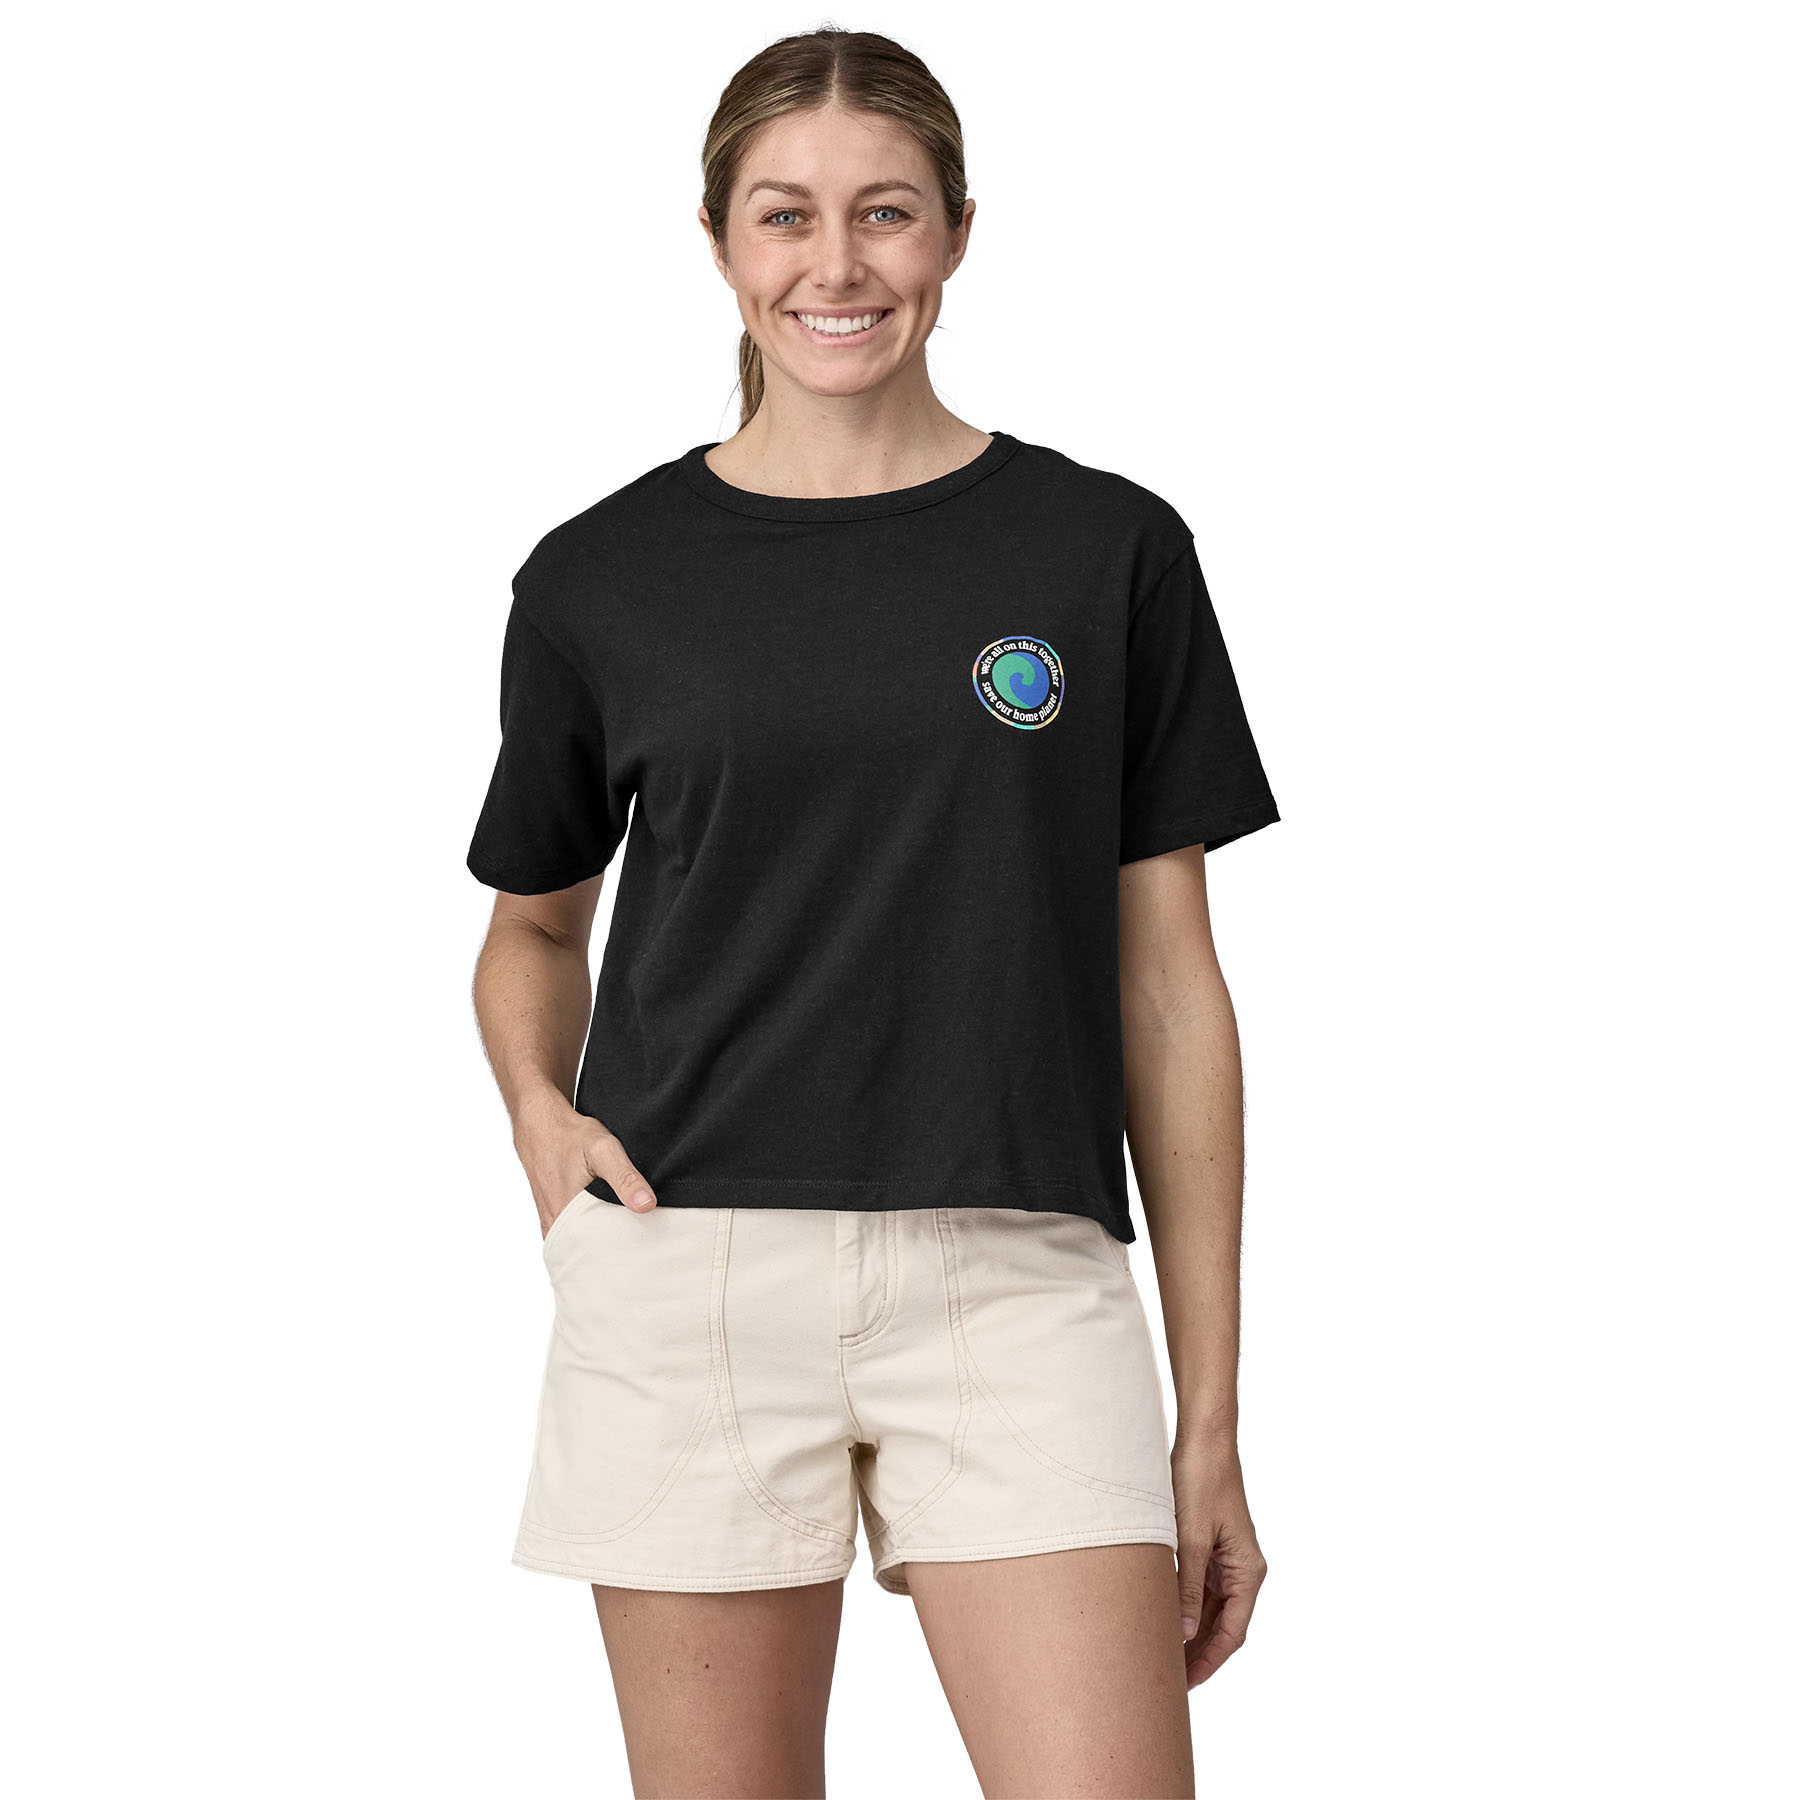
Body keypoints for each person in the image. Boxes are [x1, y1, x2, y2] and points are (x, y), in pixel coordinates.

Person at [466, 26, 1278, 1798]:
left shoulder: (1105, 551)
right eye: (785, 216)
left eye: (885, 213)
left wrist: (1208, 1418)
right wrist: (538, 1114)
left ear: (959, 231)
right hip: (687, 1267)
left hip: (1019, 1274)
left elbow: (1169, 988)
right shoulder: (601, 576)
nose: (835, 266)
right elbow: (532, 929)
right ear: (718, 241)